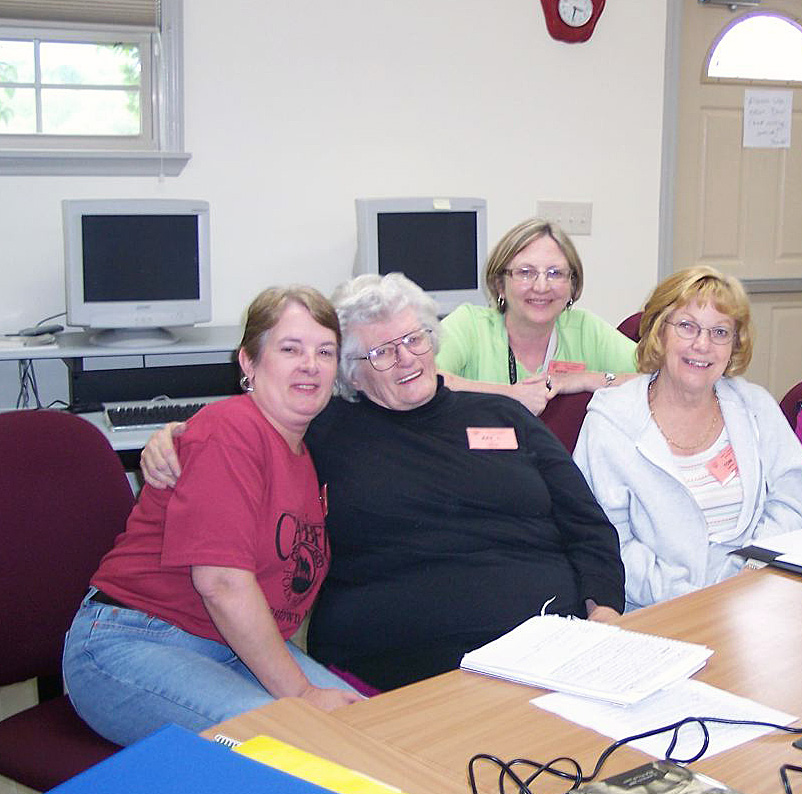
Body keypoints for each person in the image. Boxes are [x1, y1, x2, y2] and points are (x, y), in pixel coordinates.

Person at [141, 273, 625, 692]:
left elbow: (587, 524)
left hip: (551, 643)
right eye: (381, 352)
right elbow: (250, 428)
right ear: (350, 373)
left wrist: (602, 611)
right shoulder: (325, 430)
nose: (406, 358)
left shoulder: (502, 414)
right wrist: (172, 439)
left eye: (415, 339)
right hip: (404, 665)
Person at [62, 287, 362, 746]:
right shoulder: (231, 430)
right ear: (248, 362)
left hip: (228, 646)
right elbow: (221, 583)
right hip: (133, 640)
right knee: (297, 743)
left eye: (325, 352)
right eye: (290, 349)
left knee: (365, 730)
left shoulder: (303, 449)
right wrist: (301, 694)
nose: (310, 364)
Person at [573, 266, 802, 611]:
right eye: (686, 326)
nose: (702, 345)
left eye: (720, 332)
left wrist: (751, 571)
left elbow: (792, 497)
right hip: (654, 610)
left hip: (755, 600)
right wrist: (693, 598)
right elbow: (604, 538)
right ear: (659, 332)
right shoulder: (609, 423)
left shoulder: (755, 406)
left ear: (734, 344)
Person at [437, 217, 638, 416]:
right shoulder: (470, 325)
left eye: (555, 273)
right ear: (500, 285)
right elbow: (428, 380)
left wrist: (584, 379)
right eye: (525, 272)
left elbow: (654, 377)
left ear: (572, 284)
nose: (541, 287)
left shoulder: (586, 329)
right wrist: (511, 395)